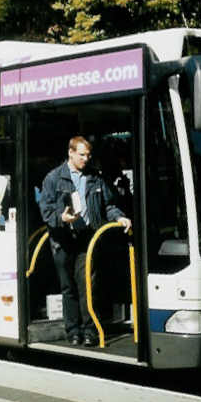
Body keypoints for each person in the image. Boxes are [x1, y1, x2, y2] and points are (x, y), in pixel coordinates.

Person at [38, 136, 132, 347]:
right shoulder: (53, 178)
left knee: (88, 284)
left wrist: (119, 217)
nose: (85, 159)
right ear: (70, 153)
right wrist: (61, 218)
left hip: (87, 239)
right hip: (63, 239)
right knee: (68, 287)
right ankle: (73, 331)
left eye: (88, 155)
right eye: (81, 155)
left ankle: (90, 330)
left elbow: (108, 205)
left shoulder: (95, 178)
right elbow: (46, 210)